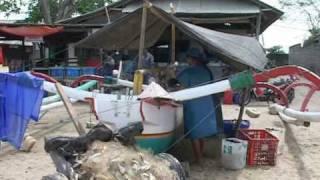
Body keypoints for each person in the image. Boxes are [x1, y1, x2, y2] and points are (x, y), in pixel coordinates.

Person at [176, 48, 220, 163]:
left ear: (192, 59)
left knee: (194, 134)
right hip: (206, 103)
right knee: (202, 132)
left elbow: (180, 87)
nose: (187, 60)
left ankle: (198, 160)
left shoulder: (188, 72)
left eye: (188, 58)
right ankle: (200, 154)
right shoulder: (207, 71)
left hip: (193, 105)